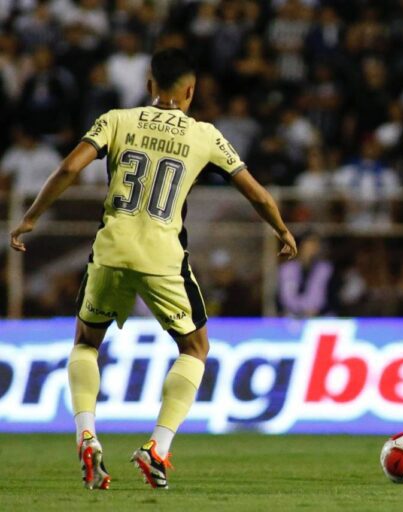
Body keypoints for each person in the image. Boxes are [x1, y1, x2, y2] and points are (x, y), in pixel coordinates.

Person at [9, 48, 297, 490]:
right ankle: (157, 448)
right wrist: (281, 229)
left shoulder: (116, 120)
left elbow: (69, 168)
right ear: (191, 91)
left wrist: (31, 216)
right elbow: (256, 193)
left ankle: (86, 434)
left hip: (111, 248)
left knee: (86, 343)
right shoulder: (205, 135)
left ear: (149, 87)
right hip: (162, 255)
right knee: (195, 348)